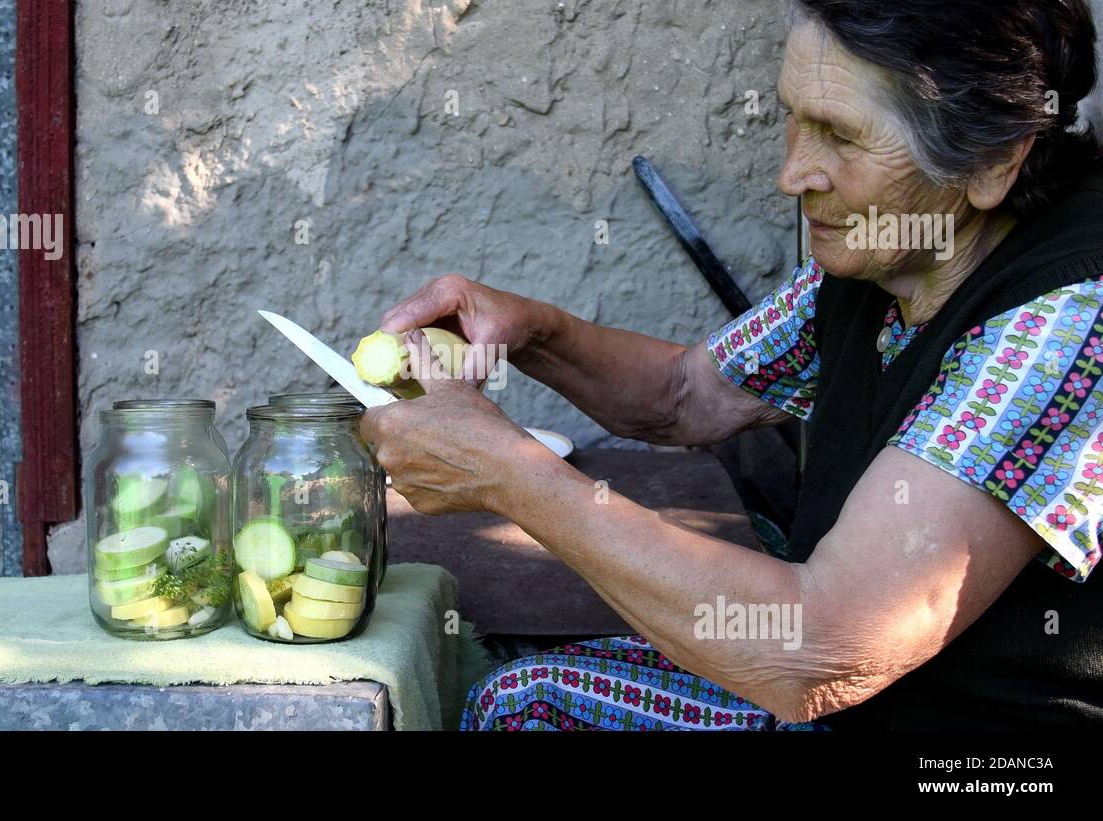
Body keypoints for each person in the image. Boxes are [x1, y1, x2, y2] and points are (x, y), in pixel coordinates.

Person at [359, 0, 1103, 730]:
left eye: (840, 136)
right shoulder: (895, 254)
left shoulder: (1064, 322)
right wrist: (536, 333)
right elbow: (689, 395)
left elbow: (822, 650)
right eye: (794, 116)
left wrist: (510, 474)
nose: (793, 172)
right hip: (848, 695)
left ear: (994, 160)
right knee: (527, 700)